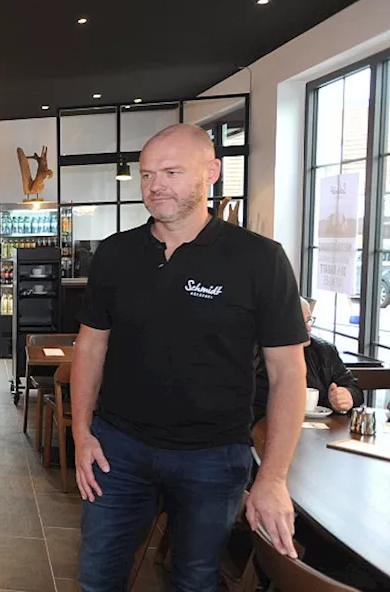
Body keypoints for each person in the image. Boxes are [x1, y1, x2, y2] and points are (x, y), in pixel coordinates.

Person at [71, 124, 308, 592]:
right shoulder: (117, 254)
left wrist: (273, 477)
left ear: (212, 173)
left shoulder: (260, 259)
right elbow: (91, 346)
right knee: (97, 577)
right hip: (119, 447)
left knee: (195, 581)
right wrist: (81, 433)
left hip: (214, 455)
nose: (155, 185)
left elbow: (288, 373)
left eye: (172, 172)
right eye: (146, 174)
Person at [252, 296, 364, 420]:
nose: (308, 328)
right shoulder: (257, 353)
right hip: (268, 427)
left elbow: (354, 388)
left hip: (321, 431)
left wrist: (347, 396)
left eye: (309, 320)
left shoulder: (324, 351)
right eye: (300, 323)